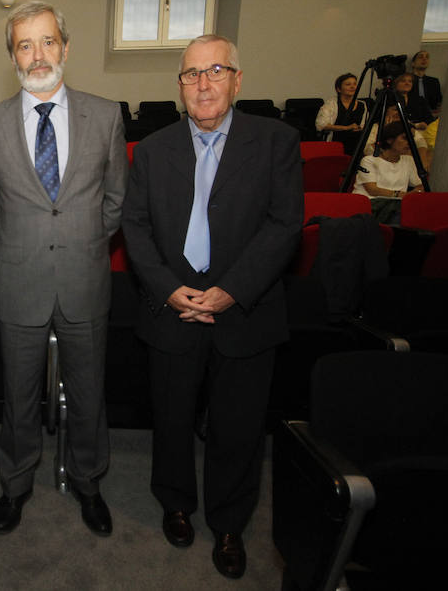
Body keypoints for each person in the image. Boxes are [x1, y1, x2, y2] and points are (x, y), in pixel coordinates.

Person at [121, 35, 302, 579]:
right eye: (191, 74)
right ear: (178, 85)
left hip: (246, 310)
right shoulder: (151, 151)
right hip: (172, 308)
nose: (203, 83)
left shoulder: (276, 142)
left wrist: (231, 291)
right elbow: (136, 227)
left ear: (238, 80)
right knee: (172, 417)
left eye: (215, 70)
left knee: (238, 426)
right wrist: (169, 289)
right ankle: (175, 502)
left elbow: (284, 225)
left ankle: (229, 522)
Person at [0, 0, 128, 537]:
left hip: (86, 279)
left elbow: (115, 202)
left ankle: (88, 481)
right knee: (18, 397)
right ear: (12, 55)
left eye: (47, 41)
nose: (38, 55)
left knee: (88, 394)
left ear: (66, 46)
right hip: (19, 283)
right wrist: (16, 246)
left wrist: (78, 242)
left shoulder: (106, 115)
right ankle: (15, 485)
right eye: (25, 44)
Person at [354, 121, 424, 224]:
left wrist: (413, 194)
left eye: (412, 137)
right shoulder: (369, 160)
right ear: (390, 140)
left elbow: (421, 186)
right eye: (405, 138)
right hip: (370, 206)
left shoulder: (408, 160)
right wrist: (401, 195)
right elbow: (372, 190)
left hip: (396, 206)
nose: (410, 141)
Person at [363, 105, 430, 170]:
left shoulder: (407, 127)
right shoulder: (374, 128)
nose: (399, 112)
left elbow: (420, 142)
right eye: (395, 109)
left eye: (401, 109)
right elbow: (368, 150)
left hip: (405, 165)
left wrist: (422, 160)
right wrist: (387, 130)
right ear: (385, 110)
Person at [314, 73, 367, 154]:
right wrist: (346, 128)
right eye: (348, 84)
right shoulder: (331, 103)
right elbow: (321, 125)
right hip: (336, 142)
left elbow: (363, 125)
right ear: (339, 89)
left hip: (356, 143)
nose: (352, 87)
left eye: (355, 84)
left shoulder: (362, 105)